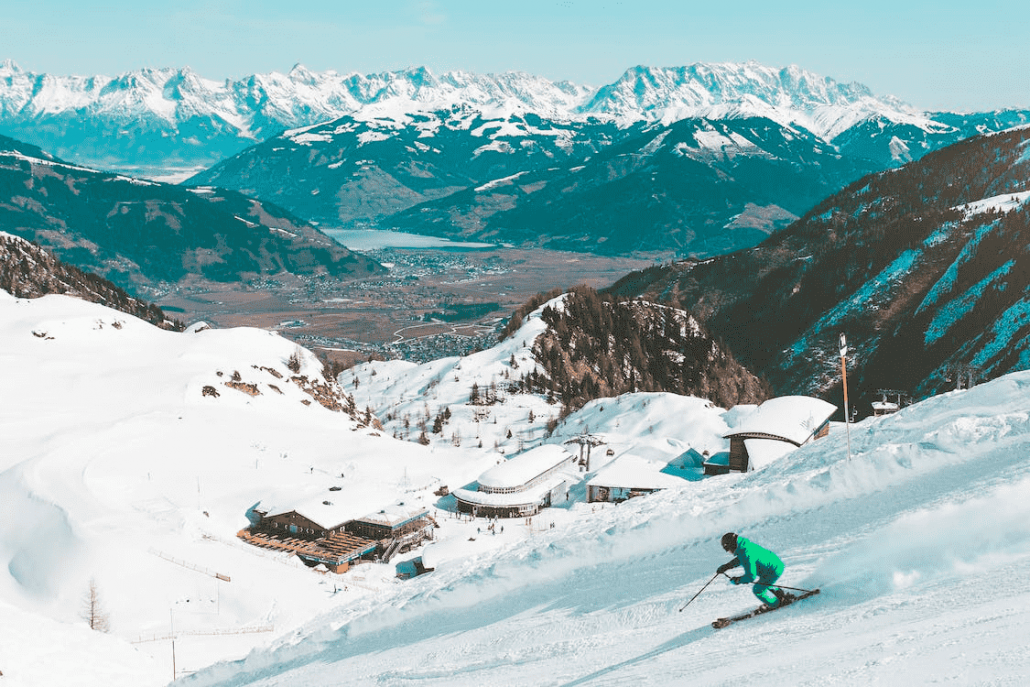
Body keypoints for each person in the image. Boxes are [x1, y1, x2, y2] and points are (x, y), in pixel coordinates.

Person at [716, 532, 788, 608]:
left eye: (729, 550)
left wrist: (737, 580)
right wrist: (727, 566)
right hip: (775, 564)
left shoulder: (746, 554)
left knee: (757, 589)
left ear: (732, 545)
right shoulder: (744, 546)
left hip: (772, 571)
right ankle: (778, 593)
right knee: (763, 583)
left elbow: (751, 576)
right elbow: (741, 558)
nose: (730, 552)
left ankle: (776, 604)